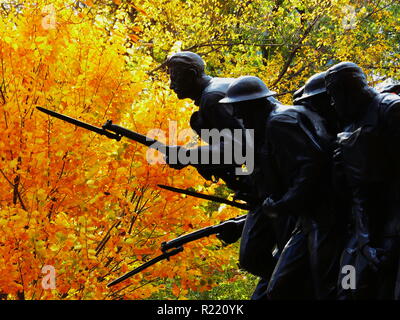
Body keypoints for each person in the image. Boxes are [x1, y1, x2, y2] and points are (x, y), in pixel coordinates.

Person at [325, 62, 400, 299]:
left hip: (393, 222)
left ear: (349, 90)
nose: (332, 104)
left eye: (333, 95)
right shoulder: (349, 125)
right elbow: (357, 191)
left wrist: (391, 239)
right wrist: (365, 241)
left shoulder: (391, 110)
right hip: (365, 226)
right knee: (347, 287)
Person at [219, 76, 298, 299]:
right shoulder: (263, 127)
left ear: (255, 104)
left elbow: (309, 171)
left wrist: (283, 203)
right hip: (274, 208)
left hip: (292, 212)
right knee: (256, 262)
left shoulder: (281, 122)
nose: (237, 116)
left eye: (240, 109)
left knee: (283, 280)